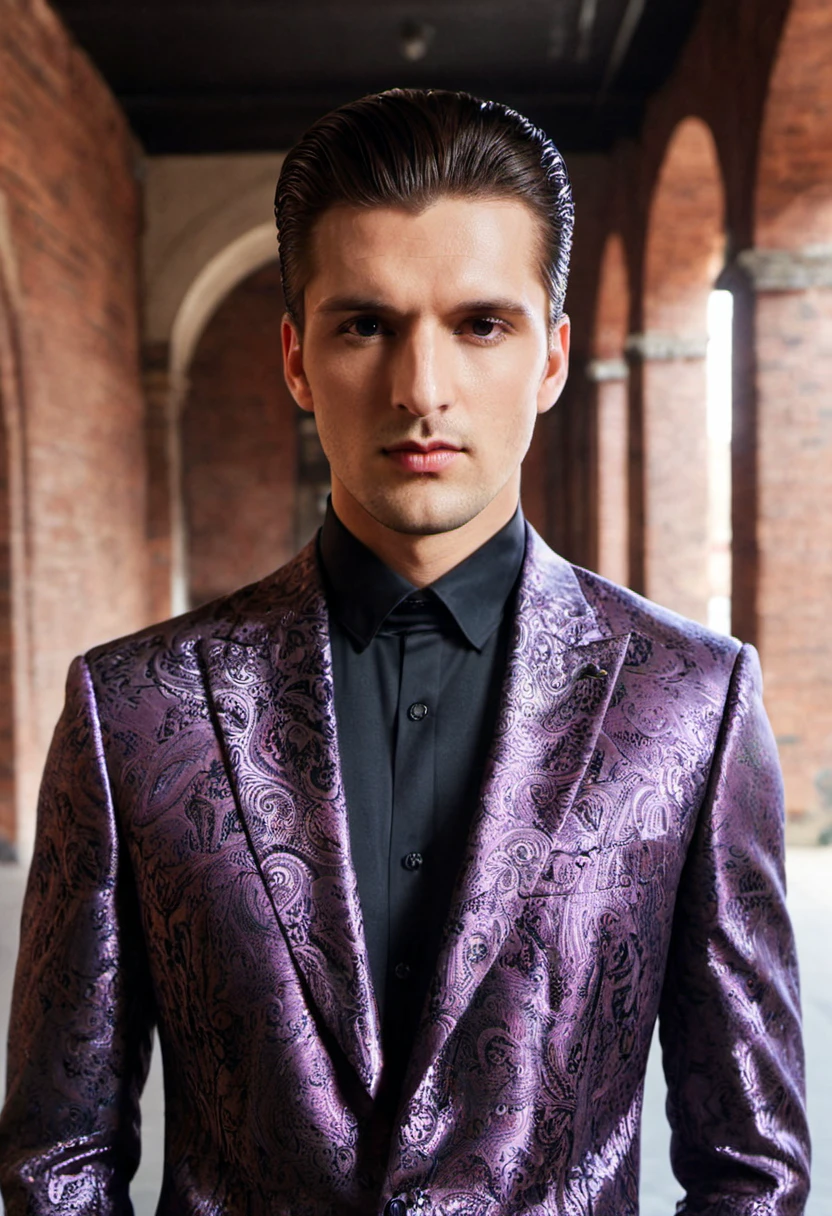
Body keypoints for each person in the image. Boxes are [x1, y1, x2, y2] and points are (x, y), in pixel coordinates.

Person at [0, 88, 810, 1216]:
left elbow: (754, 1167)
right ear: (295, 357)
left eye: (480, 324)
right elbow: (57, 1161)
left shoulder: (691, 703)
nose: (420, 390)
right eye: (365, 324)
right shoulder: (132, 709)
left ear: (551, 358)